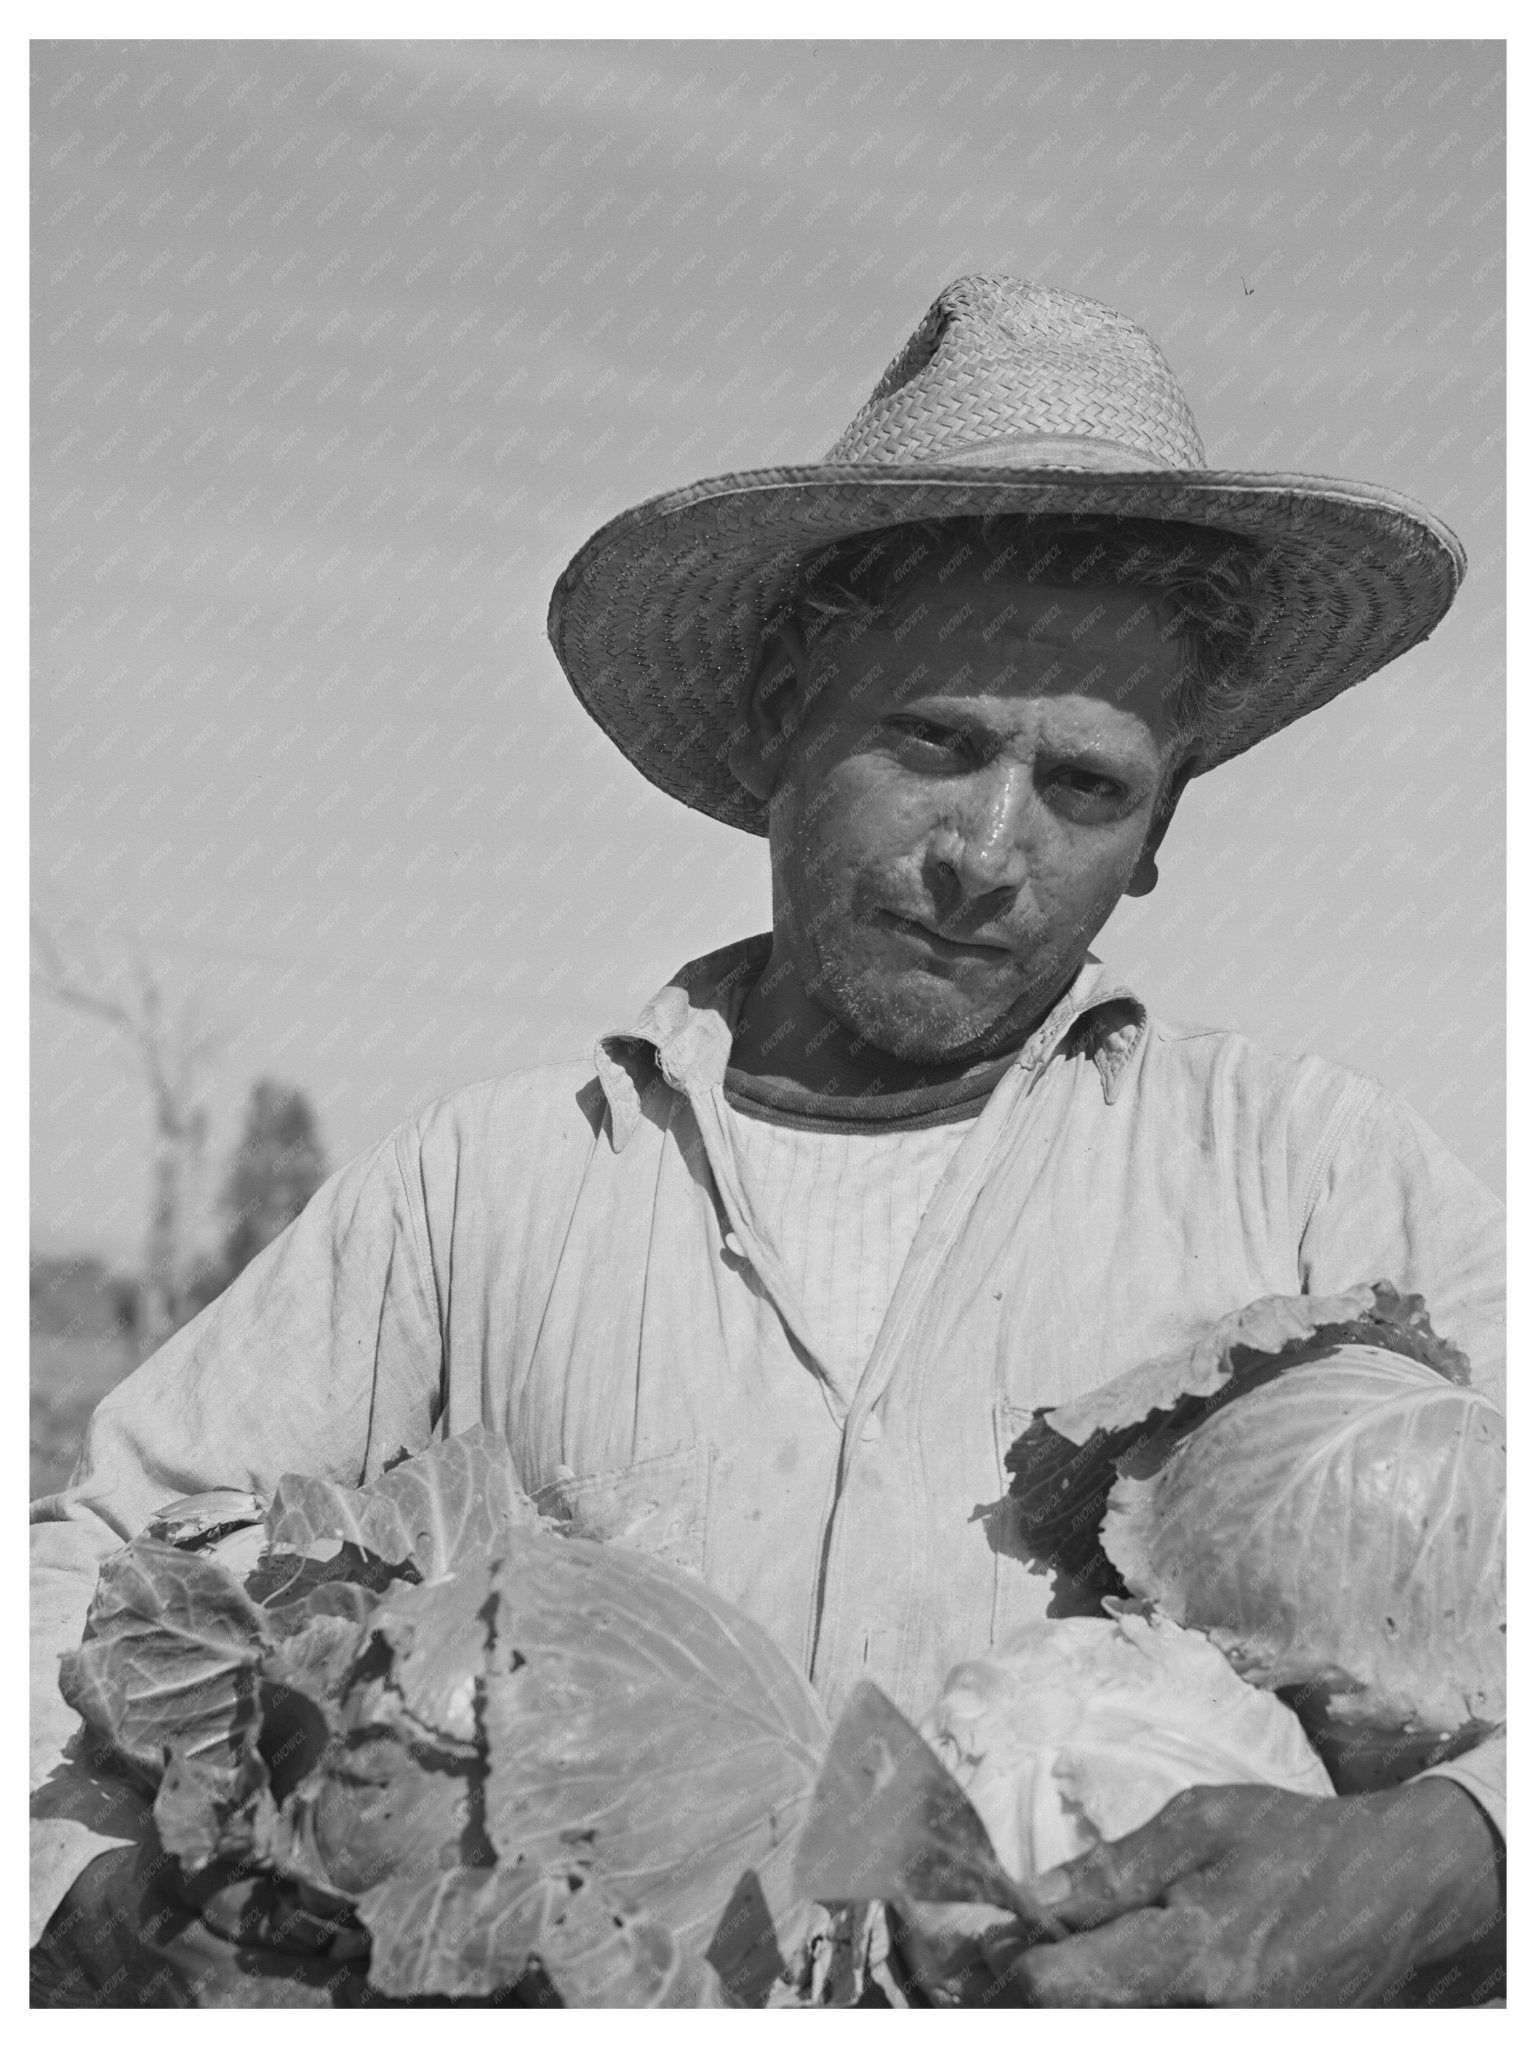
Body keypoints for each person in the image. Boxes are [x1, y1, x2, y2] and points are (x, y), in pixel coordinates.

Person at [31, 275, 1504, 2006]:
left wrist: (1452, 1850)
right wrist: (84, 1889)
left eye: (1087, 786)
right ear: (784, 731)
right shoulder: (485, 1187)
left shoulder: (1321, 1178)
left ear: (1160, 833)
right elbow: (96, 1564)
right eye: (933, 743)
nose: (988, 850)